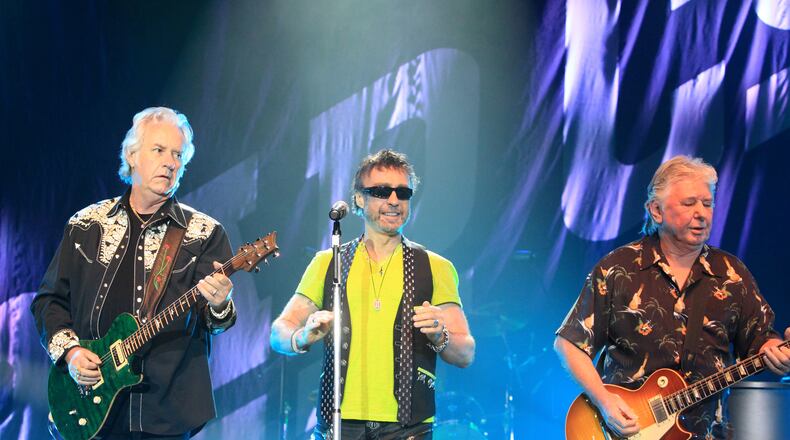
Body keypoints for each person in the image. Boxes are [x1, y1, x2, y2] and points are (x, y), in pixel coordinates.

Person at [31, 107, 237, 439]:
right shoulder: (86, 224)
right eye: (159, 150)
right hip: (90, 406)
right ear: (132, 155)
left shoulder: (204, 233)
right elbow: (49, 302)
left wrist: (219, 304)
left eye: (178, 155)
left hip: (166, 412)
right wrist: (71, 353)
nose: (170, 162)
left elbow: (216, 323)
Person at [554, 155, 790, 438]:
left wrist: (777, 350)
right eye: (689, 203)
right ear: (656, 210)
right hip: (623, 431)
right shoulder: (618, 268)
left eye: (708, 203)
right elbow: (569, 344)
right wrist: (605, 402)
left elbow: (761, 338)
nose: (702, 213)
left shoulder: (731, 273)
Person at [271, 149, 475, 439]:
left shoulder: (435, 267)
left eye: (402, 193)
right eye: (381, 191)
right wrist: (301, 337)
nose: (393, 200)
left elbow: (465, 353)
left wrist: (440, 335)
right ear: (358, 198)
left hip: (409, 429)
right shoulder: (329, 262)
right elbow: (279, 333)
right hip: (339, 426)